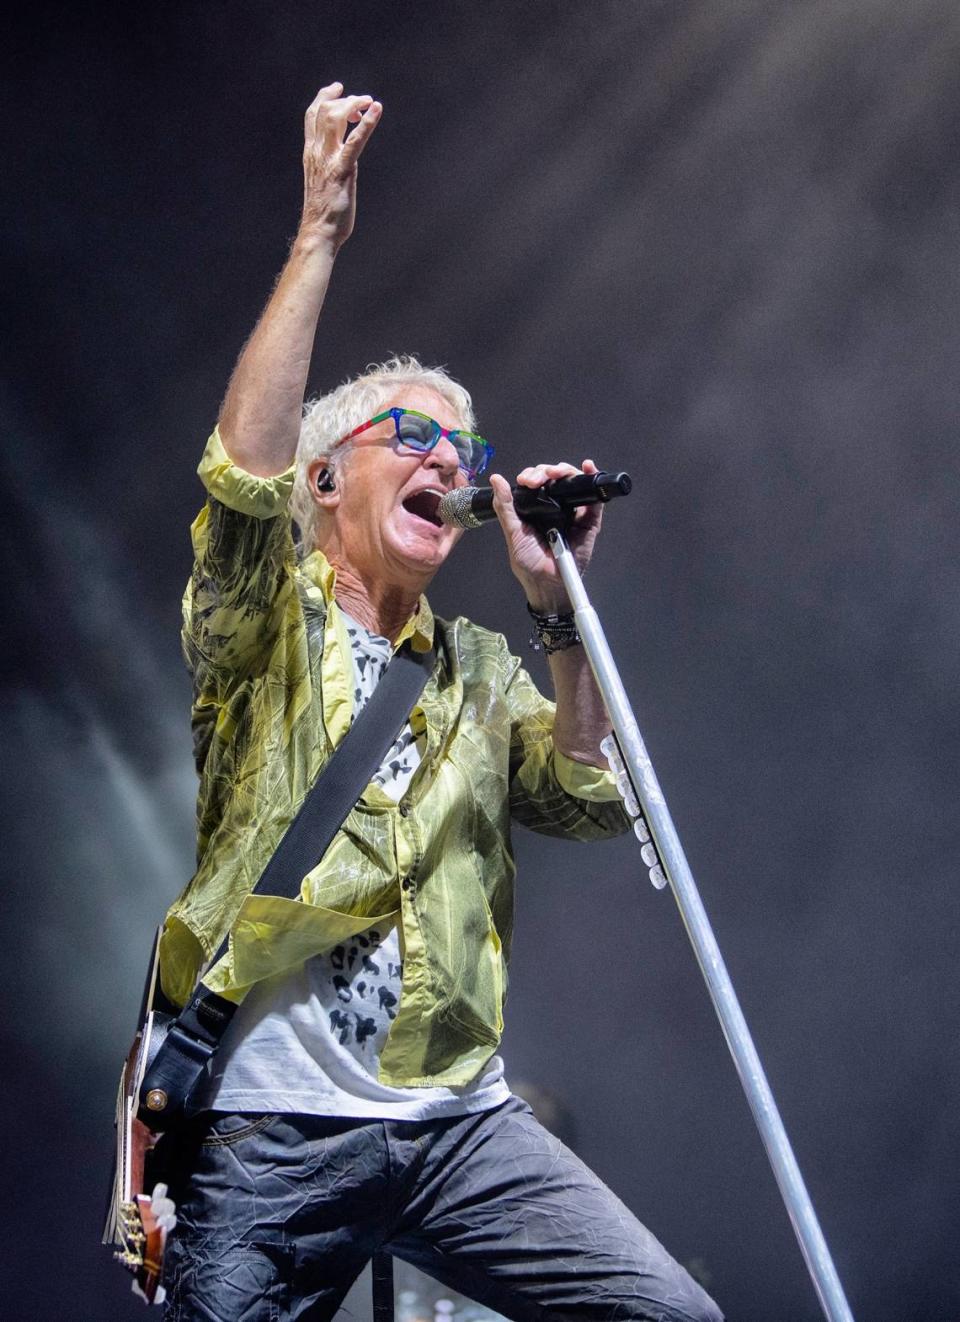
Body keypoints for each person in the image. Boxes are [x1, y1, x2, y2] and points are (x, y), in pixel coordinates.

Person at [156, 82, 723, 1322]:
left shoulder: (474, 660)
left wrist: (556, 605)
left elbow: (581, 795)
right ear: (325, 477)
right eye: (411, 432)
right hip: (276, 1130)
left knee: (676, 1315)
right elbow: (240, 481)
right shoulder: (267, 625)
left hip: (460, 1122)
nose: (451, 463)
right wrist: (318, 237)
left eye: (465, 452)